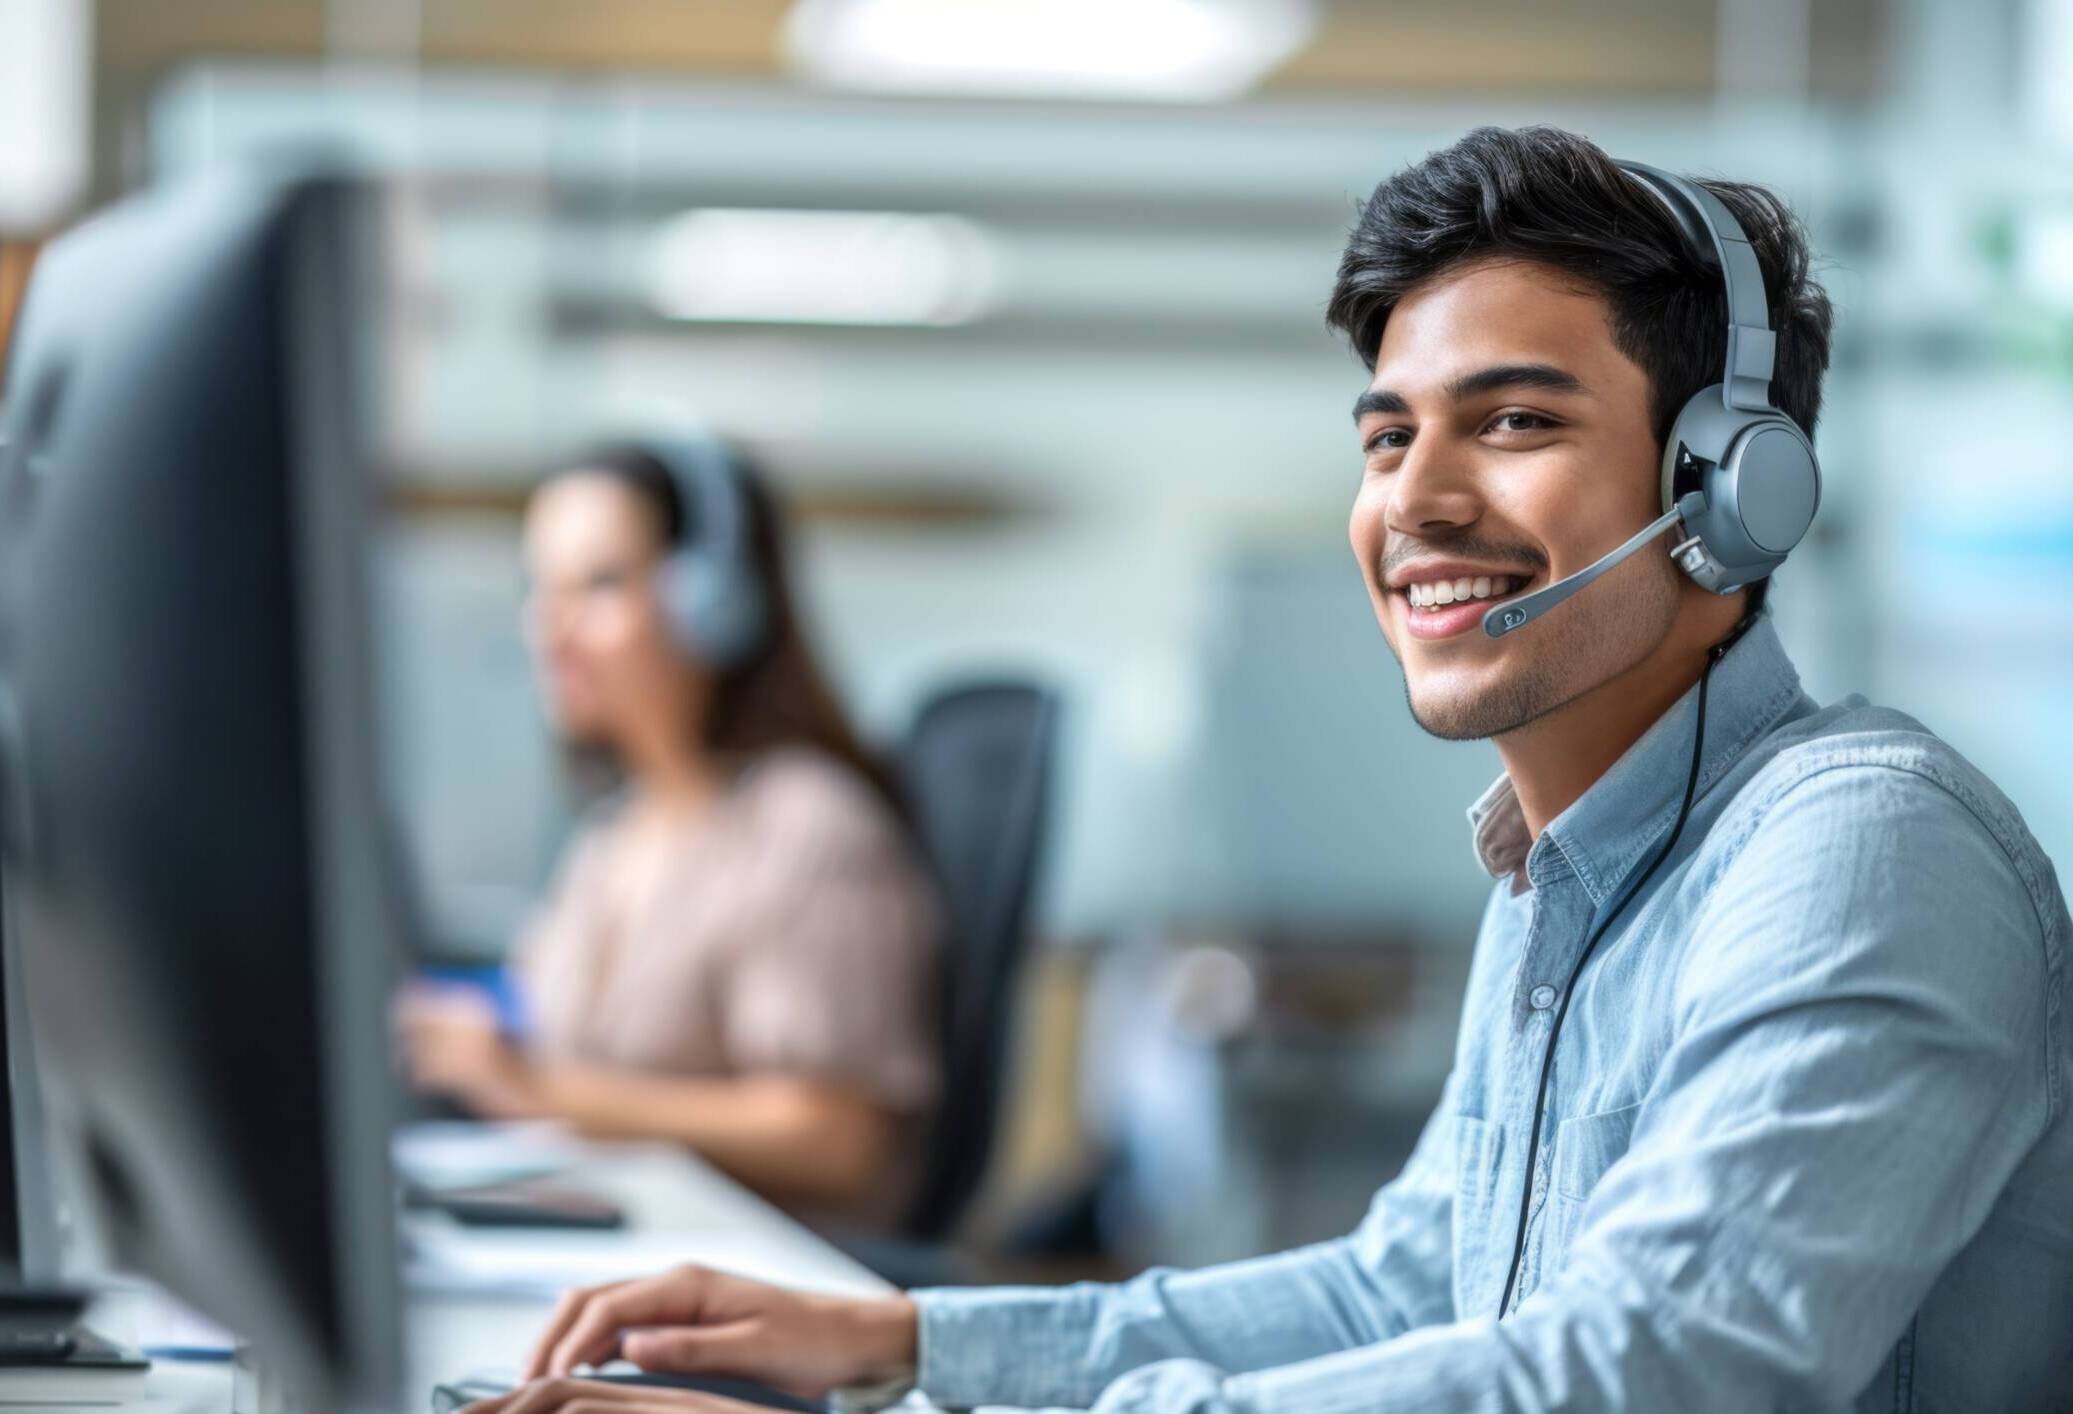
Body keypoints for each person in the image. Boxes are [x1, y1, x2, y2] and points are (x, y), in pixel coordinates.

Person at [461, 128, 2073, 1413]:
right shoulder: (1557, 872)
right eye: (1386, 438)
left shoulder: (1860, 847)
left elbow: (1650, 1371)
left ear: (1733, 489)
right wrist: (898, 1345)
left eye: (1510, 421)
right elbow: (1397, 1286)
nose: (1415, 501)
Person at [400, 439, 941, 1227]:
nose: (550, 629)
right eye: (539, 589)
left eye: (599, 585)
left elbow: (836, 1136)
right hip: (614, 1245)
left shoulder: (807, 824)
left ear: (712, 600)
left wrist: (541, 1091)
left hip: (746, 1281)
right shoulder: (610, 834)